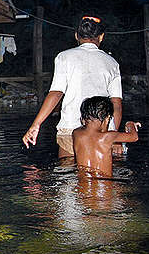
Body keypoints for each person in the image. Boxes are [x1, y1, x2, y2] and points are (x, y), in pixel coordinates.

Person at [22, 15, 122, 158]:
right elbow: (116, 104)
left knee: (66, 173)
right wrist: (113, 134)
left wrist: (36, 124)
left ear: (76, 36)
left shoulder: (64, 57)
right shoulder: (112, 63)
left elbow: (56, 93)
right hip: (101, 130)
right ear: (101, 37)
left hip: (70, 128)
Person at [72, 96, 140, 176]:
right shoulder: (108, 137)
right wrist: (130, 124)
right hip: (105, 186)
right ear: (107, 119)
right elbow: (134, 137)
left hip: (83, 185)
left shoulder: (76, 133)